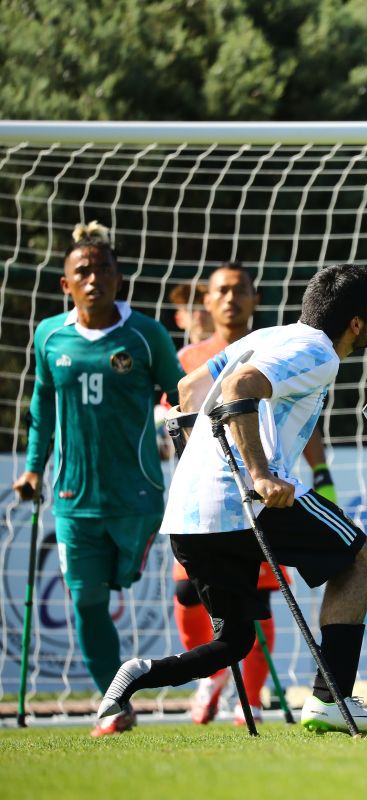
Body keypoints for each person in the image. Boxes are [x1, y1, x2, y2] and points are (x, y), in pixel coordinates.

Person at [96, 263, 367, 736]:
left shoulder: (268, 336)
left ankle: (139, 675)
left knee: (234, 641)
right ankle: (331, 699)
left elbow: (190, 388)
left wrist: (202, 461)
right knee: (359, 556)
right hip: (246, 501)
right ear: (357, 322)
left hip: (190, 512)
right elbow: (240, 388)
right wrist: (256, 472)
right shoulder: (319, 352)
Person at [12, 222, 186, 737]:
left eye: (103, 269)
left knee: (120, 580)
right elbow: (43, 405)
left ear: (119, 278)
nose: (94, 278)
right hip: (71, 498)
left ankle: (121, 579)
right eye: (82, 271)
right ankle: (114, 705)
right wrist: (31, 468)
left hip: (138, 497)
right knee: (87, 599)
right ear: (66, 285)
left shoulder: (145, 334)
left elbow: (180, 397)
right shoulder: (49, 335)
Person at [170, 262, 339, 727]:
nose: (231, 299)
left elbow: (305, 422)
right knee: (188, 592)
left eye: (240, 290)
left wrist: (320, 471)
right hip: (211, 494)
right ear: (206, 300)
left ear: (254, 298)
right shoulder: (192, 357)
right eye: (222, 290)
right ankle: (213, 677)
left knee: (262, 598)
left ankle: (255, 692)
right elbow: (178, 402)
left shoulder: (277, 342)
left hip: (261, 496)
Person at [168, 282, 214, 346]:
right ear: (179, 320)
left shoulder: (231, 353)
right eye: (190, 310)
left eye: (205, 307)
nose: (199, 314)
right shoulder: (181, 355)